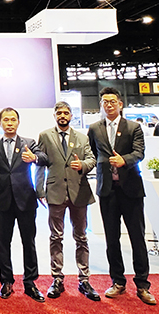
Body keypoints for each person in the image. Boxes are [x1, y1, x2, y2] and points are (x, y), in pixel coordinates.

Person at [87, 87, 156, 306]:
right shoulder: (94, 128)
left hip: (131, 190)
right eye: (105, 102)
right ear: (101, 105)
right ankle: (117, 281)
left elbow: (139, 153)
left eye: (112, 101)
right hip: (107, 191)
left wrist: (124, 160)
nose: (108, 105)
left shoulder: (134, 127)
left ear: (120, 104)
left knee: (137, 238)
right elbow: (93, 153)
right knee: (112, 239)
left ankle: (143, 285)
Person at [35, 101, 100, 301]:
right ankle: (57, 278)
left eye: (66, 113)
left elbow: (92, 159)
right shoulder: (45, 136)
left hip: (78, 192)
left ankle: (84, 279)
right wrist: (39, 190)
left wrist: (82, 165)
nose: (62, 116)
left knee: (81, 237)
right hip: (55, 192)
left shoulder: (82, 137)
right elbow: (40, 164)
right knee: (56, 237)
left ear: (71, 115)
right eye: (59, 113)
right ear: (54, 116)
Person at [0, 107, 47, 302]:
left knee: (29, 242)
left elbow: (45, 158)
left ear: (18, 122)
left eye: (13, 119)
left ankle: (30, 282)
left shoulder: (29, 143)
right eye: (6, 120)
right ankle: (6, 281)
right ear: (0, 123)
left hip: (26, 201)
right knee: (4, 243)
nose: (10, 123)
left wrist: (34, 158)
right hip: (2, 202)